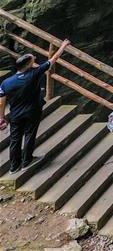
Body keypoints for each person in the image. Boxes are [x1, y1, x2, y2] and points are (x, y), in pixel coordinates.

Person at [0, 39, 70, 173]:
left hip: (15, 114)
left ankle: (14, 167)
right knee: (29, 135)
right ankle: (27, 161)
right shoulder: (35, 73)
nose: (35, 59)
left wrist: (1, 117)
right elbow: (53, 59)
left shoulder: (6, 83)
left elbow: (1, 101)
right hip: (33, 111)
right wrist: (63, 46)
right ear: (28, 65)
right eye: (33, 59)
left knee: (15, 139)